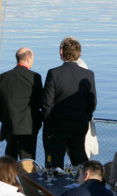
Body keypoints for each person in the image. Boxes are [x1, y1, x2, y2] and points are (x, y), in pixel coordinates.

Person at [40, 37, 96, 169]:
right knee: (80, 159)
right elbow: (92, 103)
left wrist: (49, 121)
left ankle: (53, 181)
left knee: (53, 161)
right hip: (79, 126)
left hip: (56, 127)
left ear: (62, 52)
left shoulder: (54, 73)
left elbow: (47, 103)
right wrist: (85, 118)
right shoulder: (88, 74)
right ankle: (85, 178)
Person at [0, 48, 43, 160]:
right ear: (28, 60)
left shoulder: (2, 78)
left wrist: (4, 118)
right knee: (27, 160)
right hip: (28, 126)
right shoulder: (34, 77)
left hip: (9, 125)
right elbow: (39, 102)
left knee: (10, 158)